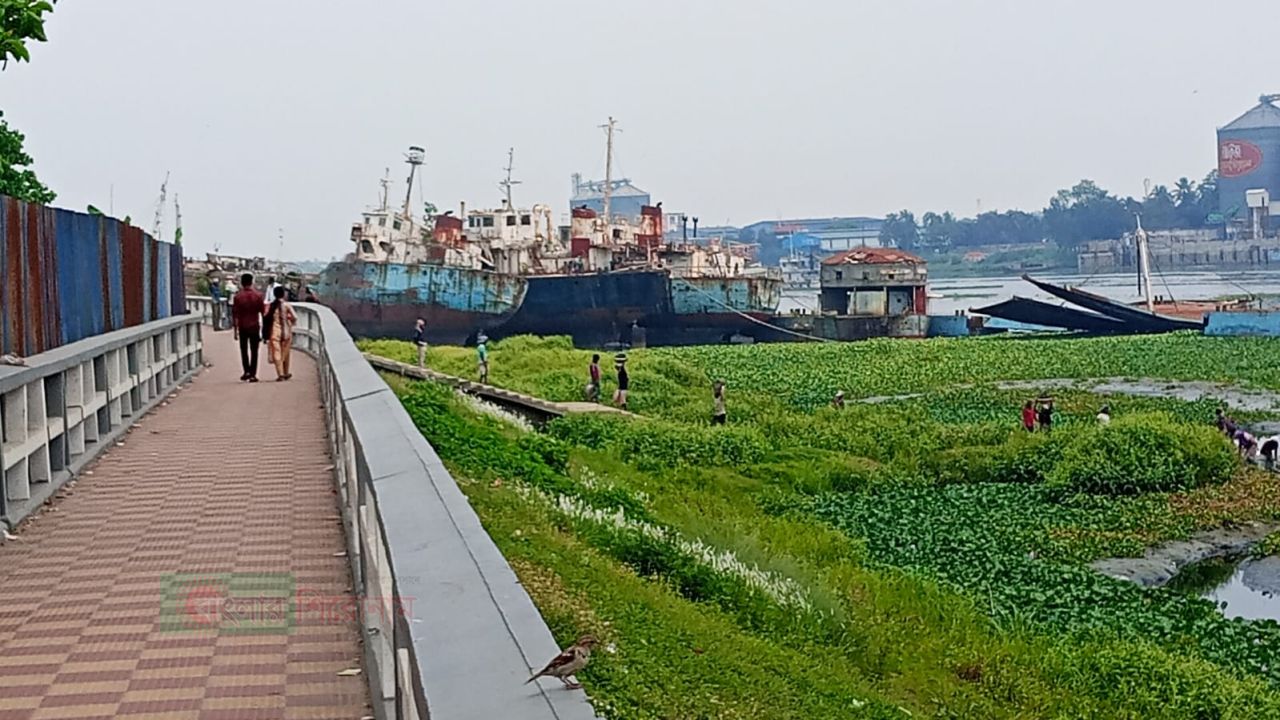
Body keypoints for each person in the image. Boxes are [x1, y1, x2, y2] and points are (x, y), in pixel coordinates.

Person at [231, 273, 264, 382]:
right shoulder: (258, 296)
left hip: (242, 326)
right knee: (254, 351)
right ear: (252, 282)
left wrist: (235, 331)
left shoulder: (237, 297)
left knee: (243, 350)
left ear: (241, 283)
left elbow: (235, 314)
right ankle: (253, 374)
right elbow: (262, 312)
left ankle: (246, 371)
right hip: (254, 325)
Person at [265, 286, 297, 381]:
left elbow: (266, 317)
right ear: (283, 294)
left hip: (274, 332)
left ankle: (280, 374)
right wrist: (291, 322)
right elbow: (295, 317)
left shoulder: (272, 305)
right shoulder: (286, 305)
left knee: (277, 352)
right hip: (286, 331)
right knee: (286, 352)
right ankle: (286, 372)